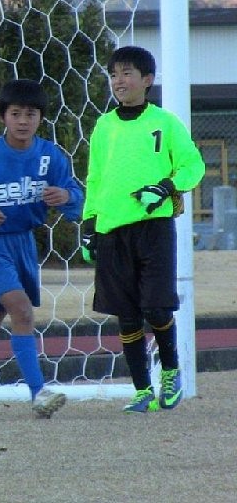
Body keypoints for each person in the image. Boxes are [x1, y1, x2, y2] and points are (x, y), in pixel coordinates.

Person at [81, 46, 204, 413]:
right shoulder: (104, 126)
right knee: (127, 313)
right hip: (112, 229)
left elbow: (193, 165)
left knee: (155, 306)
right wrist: (89, 222)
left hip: (154, 228)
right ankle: (141, 390)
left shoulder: (165, 122)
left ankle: (171, 371)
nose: (119, 81)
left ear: (147, 80)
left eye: (127, 73)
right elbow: (96, 177)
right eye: (113, 75)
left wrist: (166, 187)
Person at [0, 79, 83, 419]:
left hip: (23, 242)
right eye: (15, 114)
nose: (23, 121)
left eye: (31, 114)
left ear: (41, 118)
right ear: (3, 118)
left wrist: (66, 196)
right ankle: (38, 393)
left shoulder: (50, 156)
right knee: (22, 312)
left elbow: (77, 198)